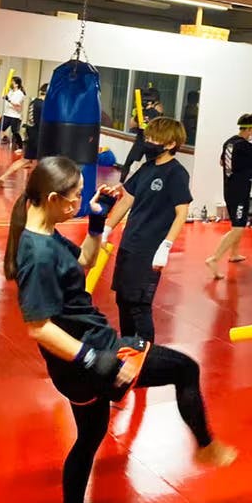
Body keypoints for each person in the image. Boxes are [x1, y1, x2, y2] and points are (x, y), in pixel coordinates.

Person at [3, 156, 235, 503]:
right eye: (76, 196)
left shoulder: (46, 233)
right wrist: (95, 359)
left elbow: (85, 261)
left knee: (90, 437)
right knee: (185, 368)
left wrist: (97, 220)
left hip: (73, 366)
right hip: (90, 355)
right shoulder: (37, 254)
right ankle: (206, 446)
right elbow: (39, 328)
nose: (80, 202)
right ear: (52, 199)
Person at [102, 117, 192, 342]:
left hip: (149, 250)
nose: (149, 143)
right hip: (129, 243)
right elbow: (126, 200)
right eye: (148, 138)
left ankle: (145, 354)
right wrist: (106, 229)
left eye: (154, 139)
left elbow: (182, 213)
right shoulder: (146, 168)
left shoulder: (176, 174)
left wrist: (166, 246)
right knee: (123, 299)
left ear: (170, 144)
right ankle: (128, 345)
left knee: (139, 305)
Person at [205, 114, 252, 280]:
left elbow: (222, 162)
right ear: (251, 129)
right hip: (240, 191)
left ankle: (234, 253)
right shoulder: (247, 146)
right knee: (238, 228)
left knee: (237, 224)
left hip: (229, 188)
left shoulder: (229, 142)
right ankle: (214, 258)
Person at [0, 83, 46, 187]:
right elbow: (43, 122)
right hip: (38, 136)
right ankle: (35, 184)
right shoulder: (43, 105)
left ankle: (4, 176)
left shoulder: (34, 102)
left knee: (25, 160)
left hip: (31, 134)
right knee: (40, 162)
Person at [120, 88, 162, 183]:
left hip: (148, 142)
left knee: (150, 165)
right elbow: (132, 124)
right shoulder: (144, 112)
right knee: (130, 162)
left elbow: (132, 125)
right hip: (143, 141)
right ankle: (121, 182)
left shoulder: (154, 114)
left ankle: (122, 182)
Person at [0, 75, 26, 152]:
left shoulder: (20, 94)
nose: (11, 83)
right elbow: (5, 97)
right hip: (6, 114)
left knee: (15, 132)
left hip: (15, 116)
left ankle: (20, 147)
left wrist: (8, 100)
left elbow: (17, 105)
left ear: (16, 84)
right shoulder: (11, 92)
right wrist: (5, 95)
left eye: (12, 82)